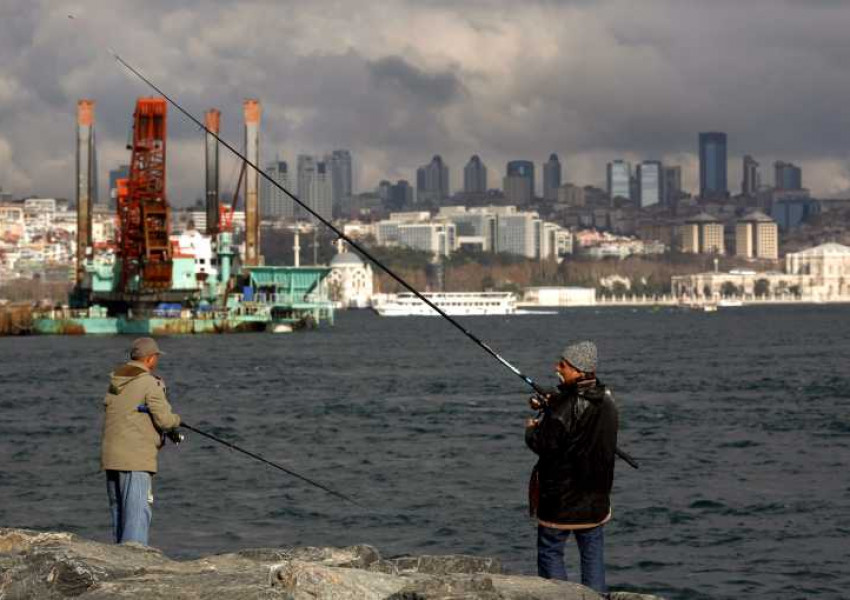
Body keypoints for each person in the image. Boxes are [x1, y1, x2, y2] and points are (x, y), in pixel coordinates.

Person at [525, 340, 618, 594]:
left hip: (562, 502)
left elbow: (543, 444)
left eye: (563, 365)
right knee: (592, 555)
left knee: (550, 552)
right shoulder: (607, 400)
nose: (557, 367)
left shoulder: (562, 410)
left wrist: (532, 430)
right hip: (596, 499)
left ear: (578, 370)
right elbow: (580, 419)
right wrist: (554, 402)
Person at [101, 337, 181, 545]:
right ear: (150, 359)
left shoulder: (116, 380)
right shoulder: (149, 382)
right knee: (136, 516)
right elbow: (165, 420)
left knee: (120, 515)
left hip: (111, 457)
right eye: (156, 356)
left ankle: (118, 562)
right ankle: (133, 568)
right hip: (135, 459)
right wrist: (176, 421)